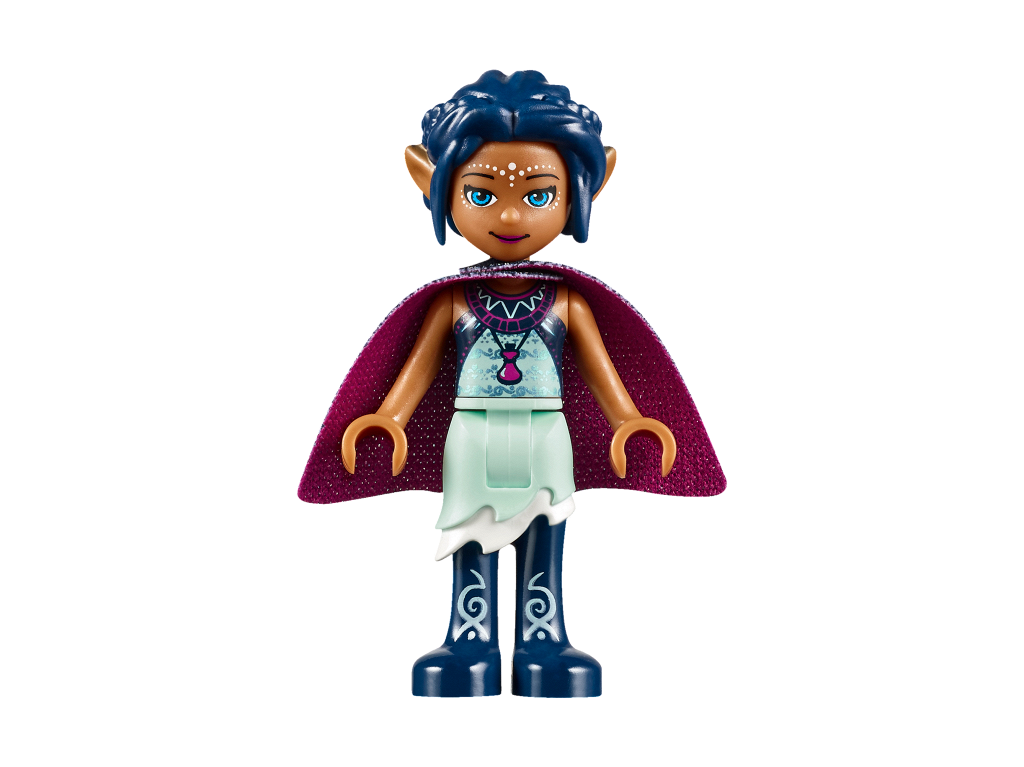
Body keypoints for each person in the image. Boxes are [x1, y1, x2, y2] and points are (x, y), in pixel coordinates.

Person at [298, 71, 726, 697]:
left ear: (586, 190)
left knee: (545, 528)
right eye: (480, 194)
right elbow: (418, 368)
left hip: (546, 432)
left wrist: (629, 418)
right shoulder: (454, 302)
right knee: (467, 531)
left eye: (537, 195)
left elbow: (602, 372)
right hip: (469, 434)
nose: (507, 215)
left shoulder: (567, 301)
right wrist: (388, 416)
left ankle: (541, 638)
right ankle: (468, 638)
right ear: (431, 183)